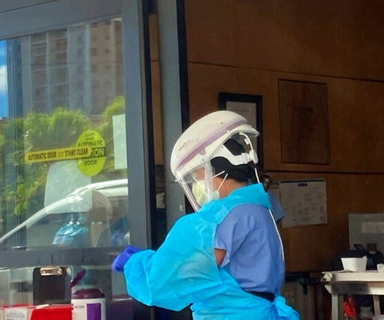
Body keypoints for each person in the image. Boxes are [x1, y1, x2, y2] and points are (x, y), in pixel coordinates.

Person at [111, 110, 299, 319]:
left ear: (216, 172)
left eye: (198, 178)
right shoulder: (260, 207)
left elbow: (175, 277)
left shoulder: (222, 217)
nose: (198, 185)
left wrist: (137, 264)